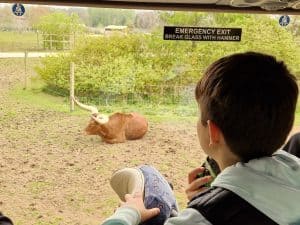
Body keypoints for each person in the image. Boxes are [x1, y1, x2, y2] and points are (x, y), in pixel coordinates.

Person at [101, 52, 300, 225]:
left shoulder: (206, 216)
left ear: (213, 132)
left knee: (151, 191)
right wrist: (207, 198)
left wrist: (128, 214)